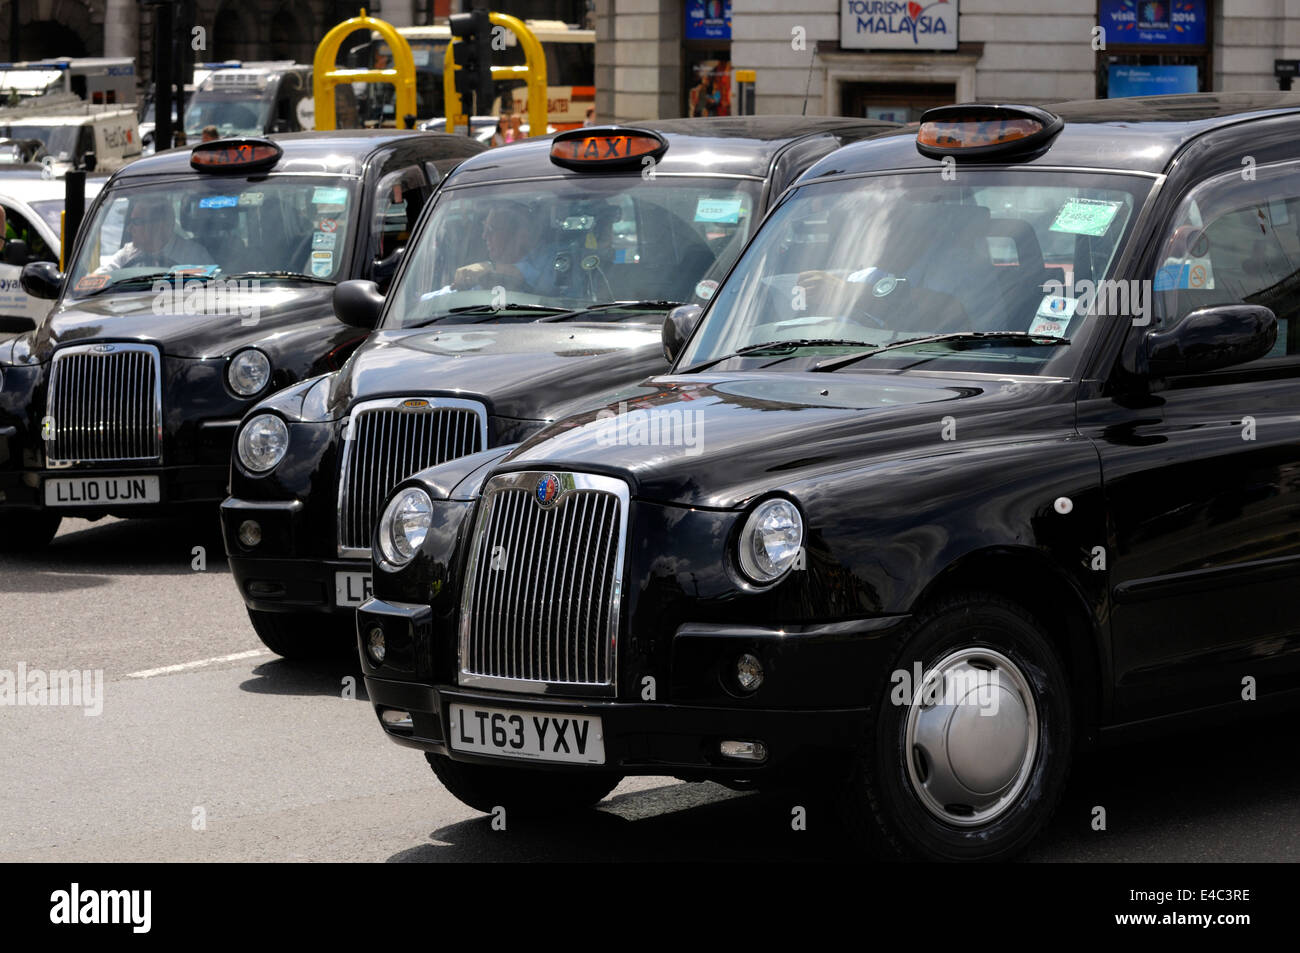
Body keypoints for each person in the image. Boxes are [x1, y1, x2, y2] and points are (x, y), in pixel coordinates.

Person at [452, 202, 551, 294]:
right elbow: (446, 294)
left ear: (520, 235)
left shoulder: (545, 266)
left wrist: (490, 269)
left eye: (491, 229)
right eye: (484, 228)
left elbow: (534, 282)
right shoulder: (481, 275)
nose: (484, 235)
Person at [95, 195, 212, 272]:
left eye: (136, 222)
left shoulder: (194, 256)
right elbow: (102, 277)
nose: (129, 229)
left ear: (160, 226)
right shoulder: (127, 254)